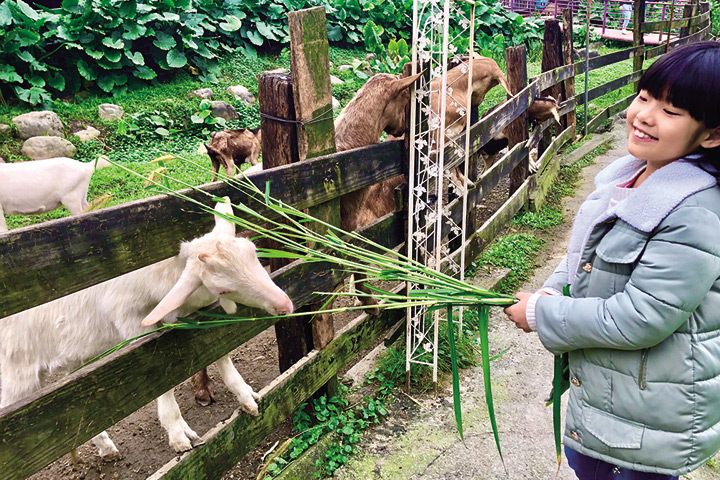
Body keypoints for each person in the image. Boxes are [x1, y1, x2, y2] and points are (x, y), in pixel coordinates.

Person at [504, 41, 720, 480]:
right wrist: (552, 287)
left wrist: (544, 313)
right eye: (644, 97)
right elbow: (585, 255)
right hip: (609, 397)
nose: (645, 115)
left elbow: (642, 317)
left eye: (671, 111)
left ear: (712, 134)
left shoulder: (695, 213)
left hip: (647, 421)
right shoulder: (630, 177)